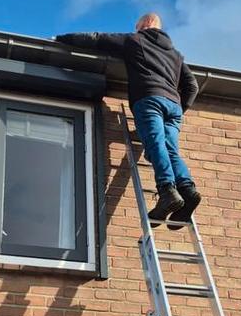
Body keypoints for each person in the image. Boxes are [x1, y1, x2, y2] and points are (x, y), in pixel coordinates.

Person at [55, 13, 201, 225]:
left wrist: (61, 38)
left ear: (144, 25)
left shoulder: (135, 40)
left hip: (150, 99)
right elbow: (192, 86)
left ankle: (167, 190)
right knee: (171, 150)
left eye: (137, 26)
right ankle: (187, 190)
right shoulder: (176, 55)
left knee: (156, 144)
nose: (135, 29)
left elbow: (97, 39)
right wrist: (180, 107)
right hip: (173, 107)